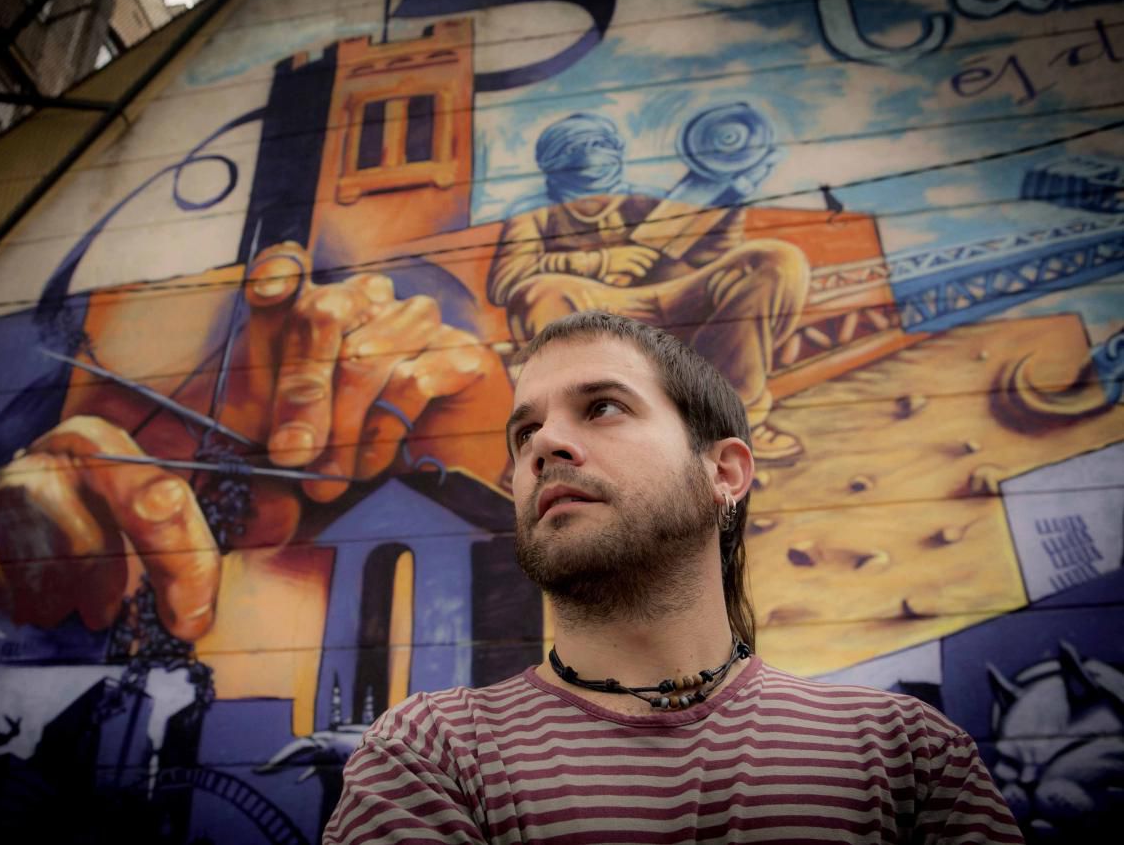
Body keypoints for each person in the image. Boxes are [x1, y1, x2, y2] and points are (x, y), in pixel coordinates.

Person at [322, 311, 1024, 844]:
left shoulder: (903, 755)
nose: (543, 446)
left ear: (724, 472)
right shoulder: (433, 753)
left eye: (602, 407)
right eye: (524, 432)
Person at [487, 113, 810, 463]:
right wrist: (600, 262)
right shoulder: (534, 212)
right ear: (552, 160)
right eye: (577, 146)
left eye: (601, 143)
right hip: (598, 307)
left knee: (773, 258)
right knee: (541, 293)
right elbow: (506, 280)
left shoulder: (651, 200)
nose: (593, 154)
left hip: (673, 297)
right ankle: (585, 430)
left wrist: (729, 202)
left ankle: (736, 425)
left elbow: (711, 259)